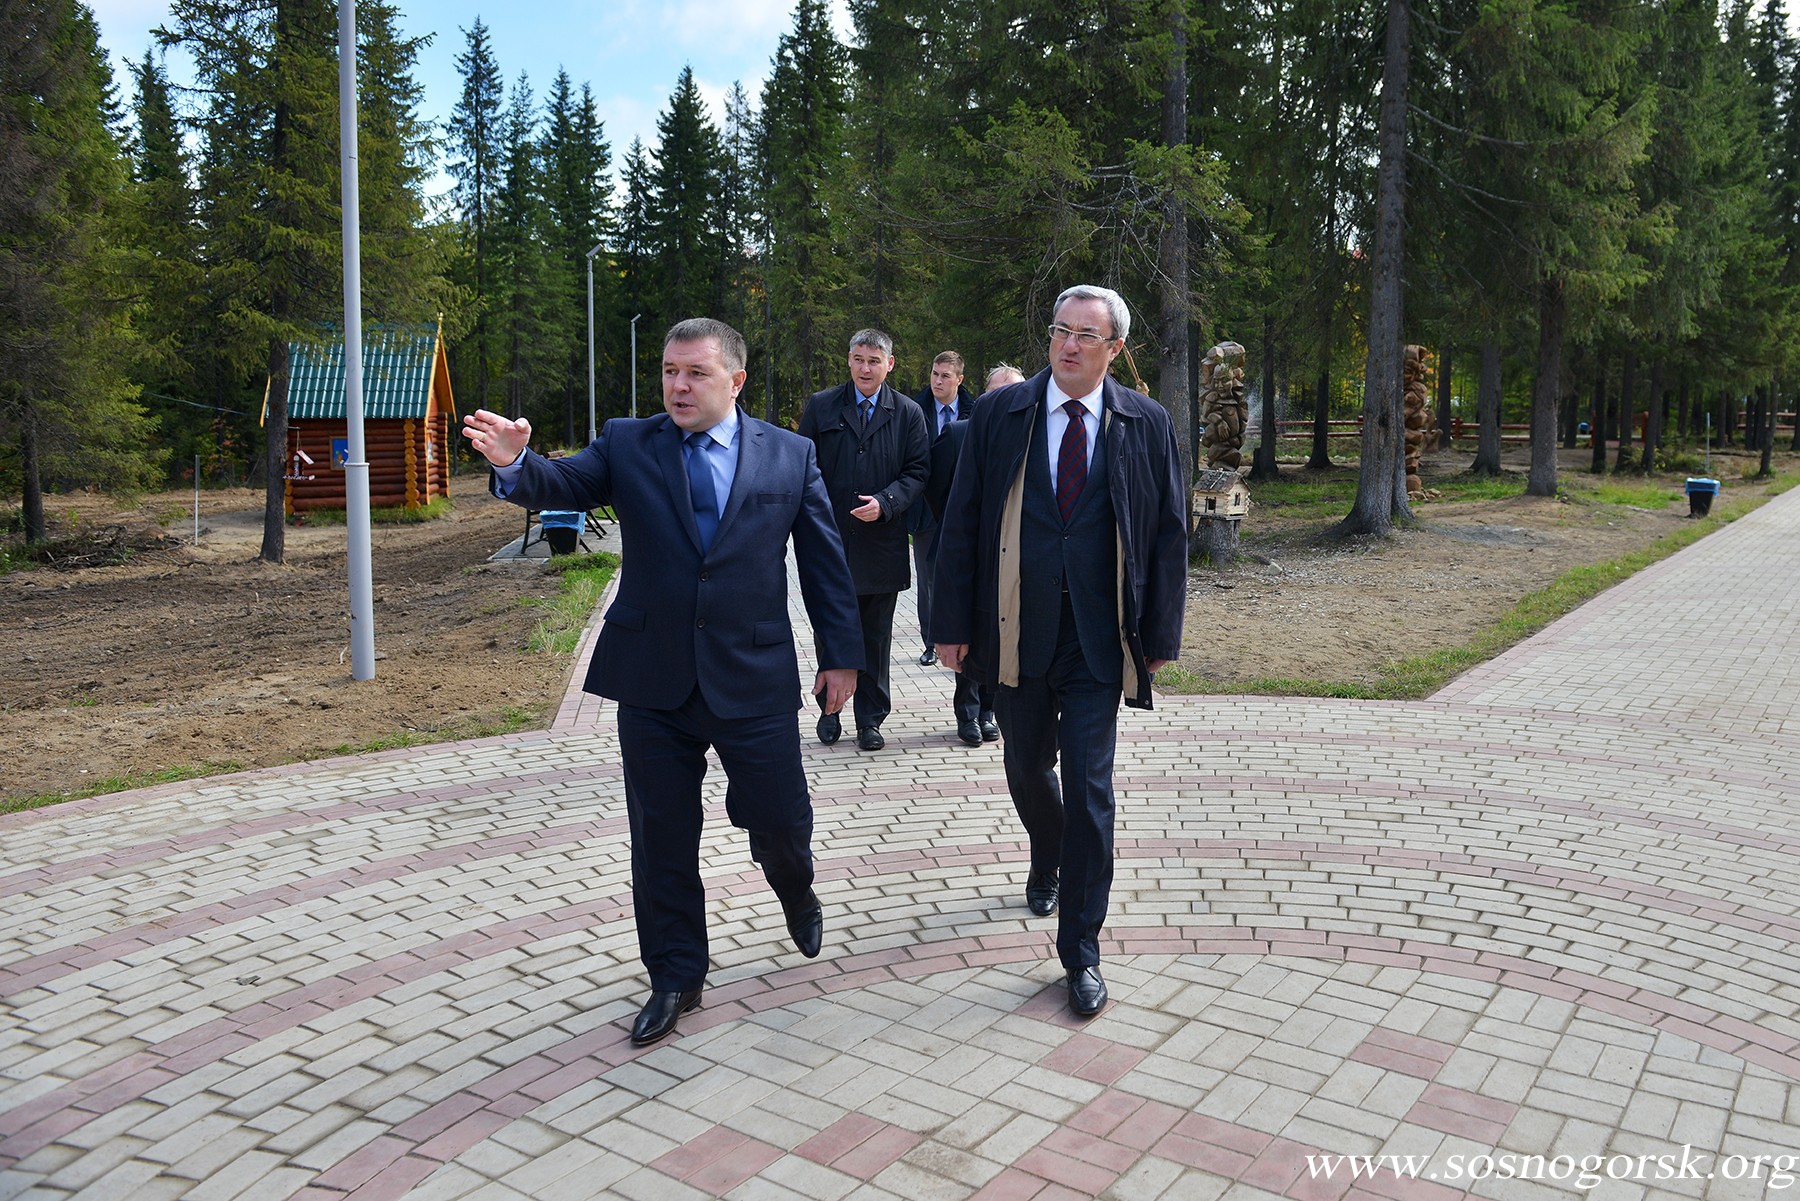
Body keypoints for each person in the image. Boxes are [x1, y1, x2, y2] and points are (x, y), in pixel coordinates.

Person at [462, 317, 863, 1047]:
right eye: (670, 372)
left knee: (780, 818)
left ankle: (794, 884)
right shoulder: (627, 441)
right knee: (661, 835)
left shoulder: (791, 453)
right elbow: (567, 482)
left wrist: (842, 656)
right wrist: (520, 463)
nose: (678, 385)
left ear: (734, 380)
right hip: (653, 679)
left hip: (754, 671)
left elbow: (825, 560)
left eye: (695, 373)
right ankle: (677, 973)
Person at [930, 286, 1187, 1019]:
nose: (1069, 345)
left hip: (1099, 640)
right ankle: (1050, 848)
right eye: (1060, 331)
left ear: (1114, 348)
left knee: (1091, 790)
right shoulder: (1001, 415)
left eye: (1086, 335)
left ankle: (1082, 952)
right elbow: (963, 520)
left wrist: (1160, 635)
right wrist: (949, 623)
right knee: (1021, 765)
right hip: (1014, 630)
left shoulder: (1146, 421)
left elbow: (1169, 530)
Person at [798, 329, 931, 752]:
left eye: (874, 361)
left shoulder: (908, 413)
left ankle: (870, 720)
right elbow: (803, 464)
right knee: (830, 632)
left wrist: (887, 502)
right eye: (858, 359)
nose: (865, 368)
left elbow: (917, 472)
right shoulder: (822, 406)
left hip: (881, 545)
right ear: (849, 360)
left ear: (889, 364)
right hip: (830, 543)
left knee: (875, 637)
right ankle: (829, 710)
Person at [907, 352, 977, 670]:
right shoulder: (914, 409)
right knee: (928, 578)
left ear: (959, 380)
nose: (938, 380)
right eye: (935, 374)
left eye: (945, 376)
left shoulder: (975, 411)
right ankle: (930, 643)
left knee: (959, 576)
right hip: (925, 509)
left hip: (961, 508)